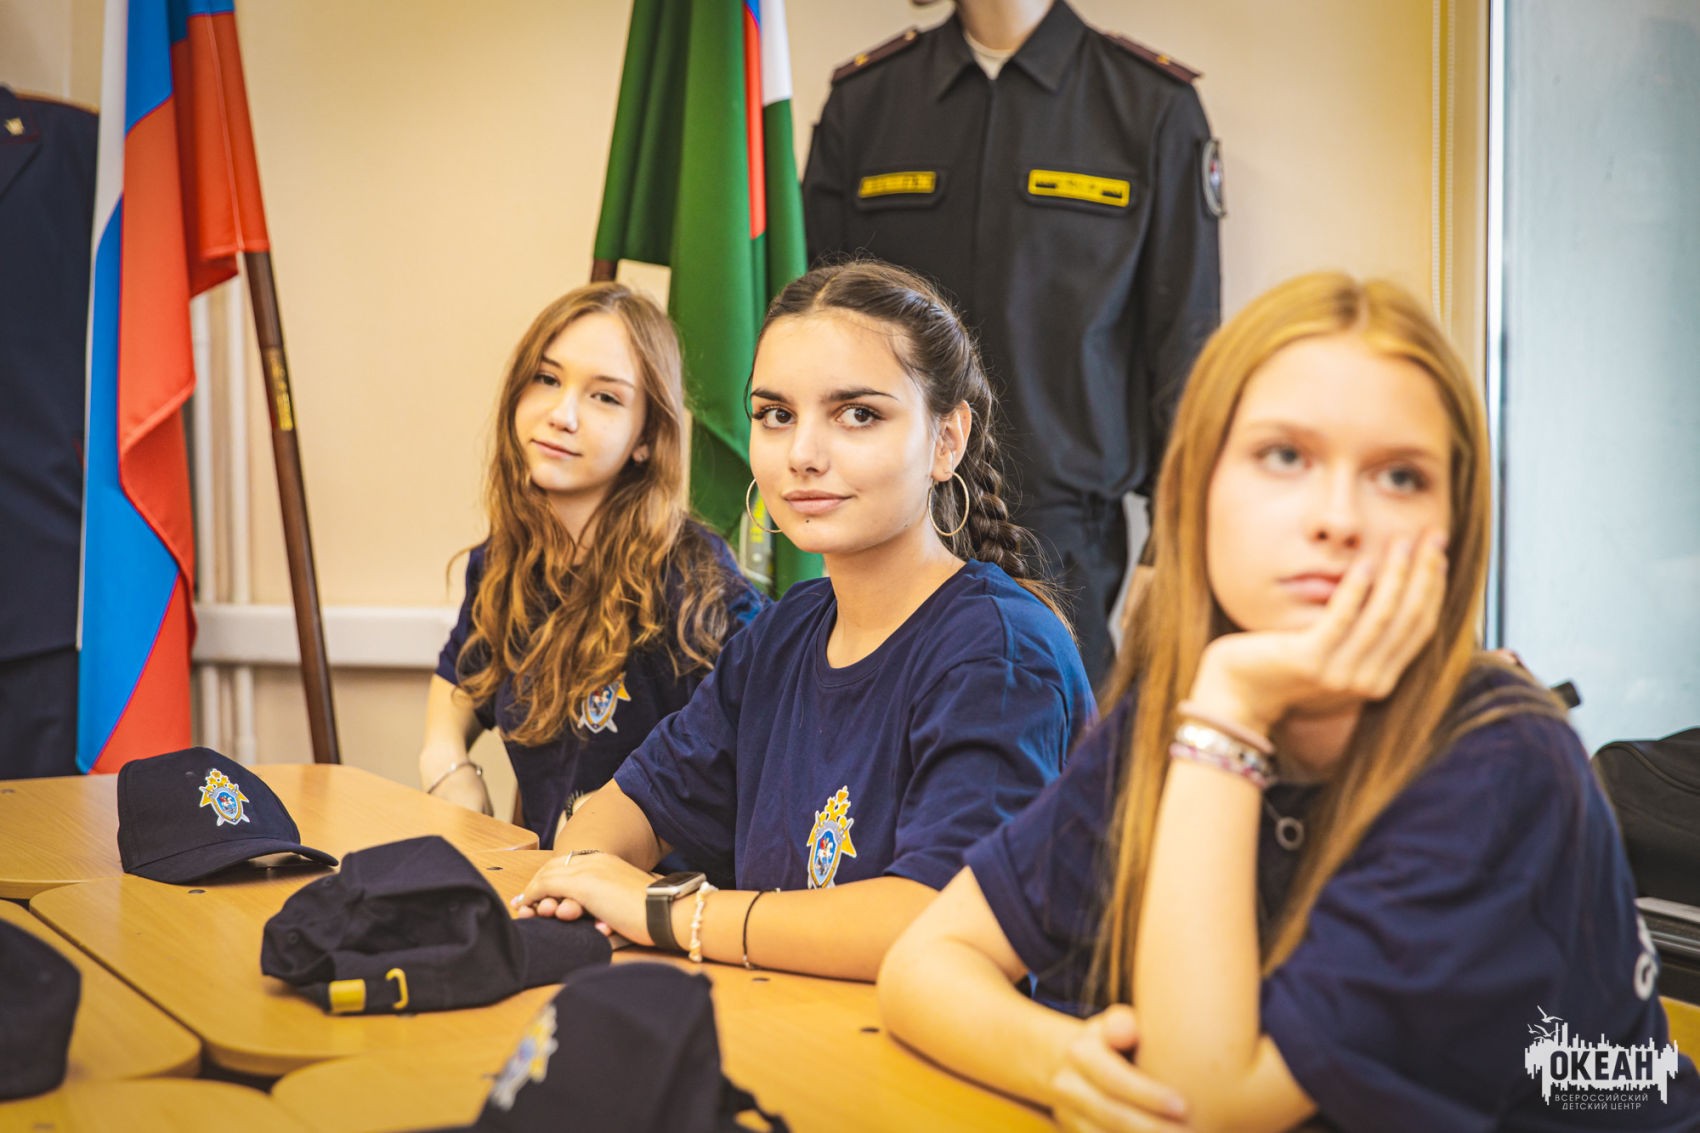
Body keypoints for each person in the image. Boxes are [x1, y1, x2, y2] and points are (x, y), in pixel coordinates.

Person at [878, 272, 1700, 1130]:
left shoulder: (1504, 759)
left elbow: (1206, 1107)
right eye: (1284, 457)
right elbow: (925, 961)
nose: (1337, 517)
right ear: (1197, 488)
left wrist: (1230, 711)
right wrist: (1060, 1061)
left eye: (1399, 475)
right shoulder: (1166, 718)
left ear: (1454, 528)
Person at [512, 261, 1095, 982]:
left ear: (947, 441)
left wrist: (664, 910)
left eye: (858, 415)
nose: (802, 455)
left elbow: (936, 923)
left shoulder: (1001, 654)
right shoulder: (782, 634)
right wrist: (584, 875)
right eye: (776, 415)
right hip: (792, 1026)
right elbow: (626, 808)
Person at [802, 0, 1222, 686]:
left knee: (1051, 742)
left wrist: (1176, 540)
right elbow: (815, 326)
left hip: (1065, 538)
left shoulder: (1149, 106)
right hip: (889, 515)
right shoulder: (869, 101)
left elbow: (1187, 351)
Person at [419, 283, 767, 847]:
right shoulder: (503, 560)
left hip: (664, 894)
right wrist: (445, 760)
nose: (562, 415)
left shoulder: (696, 581)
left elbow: (759, 753)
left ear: (646, 437)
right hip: (549, 880)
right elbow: (460, 677)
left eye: (605, 397)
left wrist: (618, 831)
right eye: (547, 379)